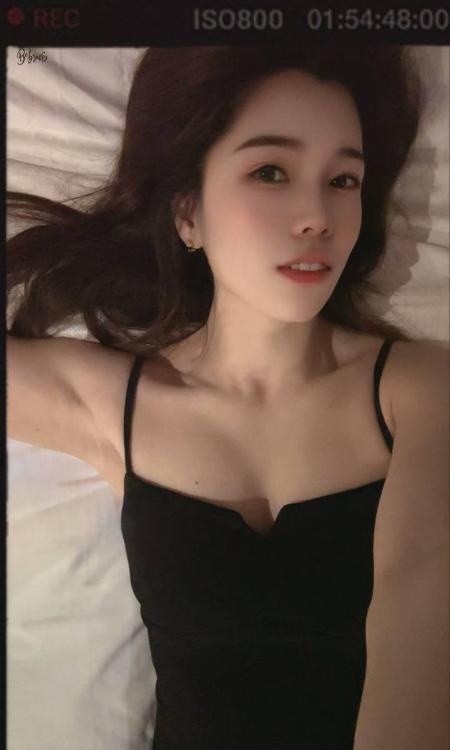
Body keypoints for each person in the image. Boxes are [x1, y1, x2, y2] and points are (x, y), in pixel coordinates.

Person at [7, 43, 448, 749]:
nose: (318, 216)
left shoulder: (420, 391)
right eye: (270, 171)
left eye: (343, 180)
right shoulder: (116, 404)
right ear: (188, 213)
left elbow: (417, 657)